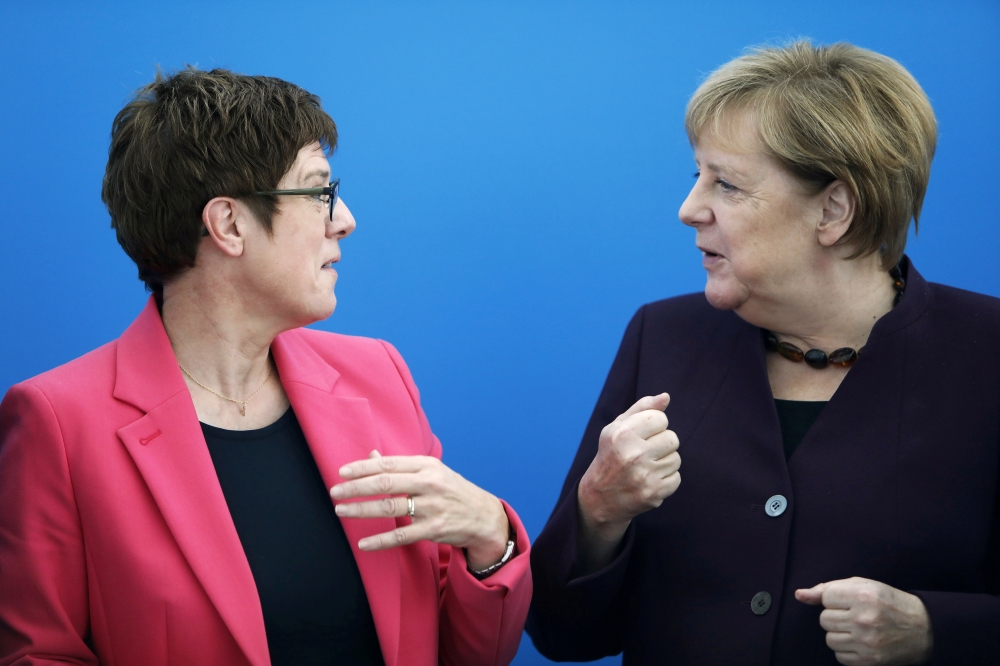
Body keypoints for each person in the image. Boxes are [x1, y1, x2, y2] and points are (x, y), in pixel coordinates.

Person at [0, 68, 530, 666]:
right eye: (318, 191)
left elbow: (461, 651)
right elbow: (40, 655)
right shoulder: (59, 421)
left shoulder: (378, 375)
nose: (345, 219)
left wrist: (491, 537)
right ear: (229, 224)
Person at [527, 41, 1000, 665]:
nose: (689, 209)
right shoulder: (662, 336)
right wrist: (598, 513)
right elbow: (565, 635)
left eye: (725, 183)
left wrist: (937, 629)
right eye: (697, 176)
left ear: (834, 209)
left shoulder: (986, 354)